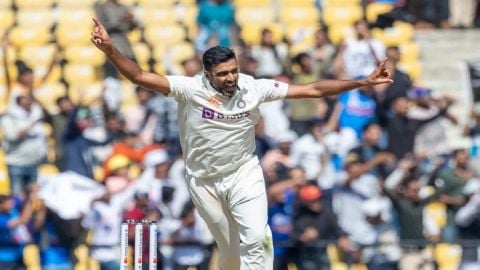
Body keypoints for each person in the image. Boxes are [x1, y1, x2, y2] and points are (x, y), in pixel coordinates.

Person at [91, 17, 393, 269]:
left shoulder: (254, 88)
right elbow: (139, 75)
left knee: (258, 239)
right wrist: (110, 50)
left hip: (243, 173)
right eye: (223, 74)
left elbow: (313, 89)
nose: (231, 77)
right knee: (229, 248)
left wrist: (362, 82)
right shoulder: (189, 88)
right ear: (207, 74)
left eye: (234, 70)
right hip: (203, 179)